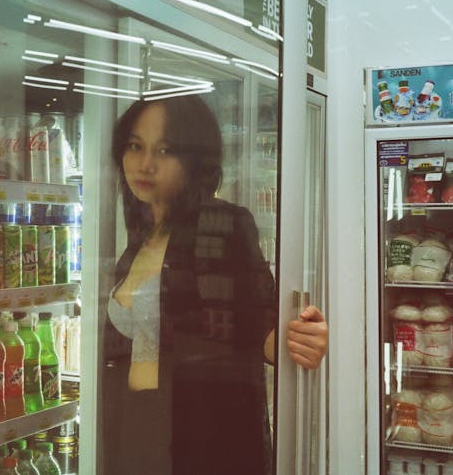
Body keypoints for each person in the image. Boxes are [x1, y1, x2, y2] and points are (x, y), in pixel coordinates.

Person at [101, 95, 328, 475]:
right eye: (135, 146)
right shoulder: (138, 238)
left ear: (194, 161)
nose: (146, 164)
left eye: (166, 150)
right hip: (131, 429)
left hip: (198, 436)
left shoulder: (222, 222)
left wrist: (301, 338)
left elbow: (257, 322)